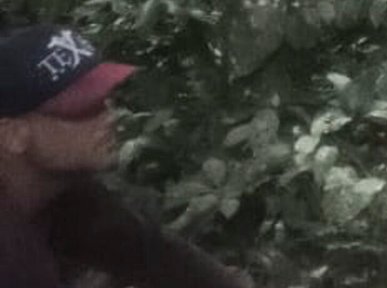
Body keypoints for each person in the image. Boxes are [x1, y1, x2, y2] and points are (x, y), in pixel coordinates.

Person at [0, 24, 252, 288]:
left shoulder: (62, 193)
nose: (110, 117)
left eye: (106, 99)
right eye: (84, 108)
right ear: (13, 134)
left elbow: (156, 255)